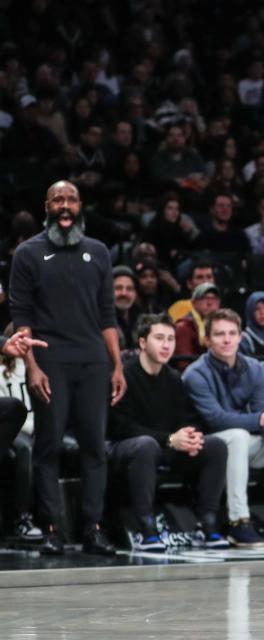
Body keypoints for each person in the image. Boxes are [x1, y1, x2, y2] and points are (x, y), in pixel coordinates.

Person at [8, 180, 127, 556]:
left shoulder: (99, 252)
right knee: (48, 447)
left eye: (71, 199)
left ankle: (92, 528)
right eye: (58, 199)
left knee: (95, 447)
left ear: (79, 206)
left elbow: (108, 316)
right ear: (46, 205)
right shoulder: (27, 253)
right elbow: (21, 317)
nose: (65, 205)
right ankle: (52, 529)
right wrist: (31, 366)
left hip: (93, 361)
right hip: (50, 361)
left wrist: (117, 366)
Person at [107, 314, 229, 551]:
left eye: (171, 339)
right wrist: (170, 439)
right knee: (145, 445)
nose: (166, 345)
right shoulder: (124, 376)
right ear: (142, 342)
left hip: (165, 447)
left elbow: (184, 419)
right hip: (126, 449)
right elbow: (120, 426)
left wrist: (190, 436)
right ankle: (146, 528)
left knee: (215, 445)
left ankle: (208, 522)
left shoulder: (174, 379)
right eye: (159, 338)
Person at [182, 309, 264, 547]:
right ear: (207, 340)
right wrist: (261, 420)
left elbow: (263, 410)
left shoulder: (254, 367)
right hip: (207, 447)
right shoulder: (195, 374)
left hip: (243, 444)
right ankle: (239, 521)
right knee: (237, 436)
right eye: (219, 334)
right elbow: (215, 420)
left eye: (232, 333)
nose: (226, 340)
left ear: (240, 337)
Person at [0, 329, 47, 542]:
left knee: (14, 409)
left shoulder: (37, 368)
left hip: (33, 428)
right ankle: (20, 516)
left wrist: (3, 343)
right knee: (23, 447)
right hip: (22, 435)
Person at [173, 282, 221, 370]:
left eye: (214, 298)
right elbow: (184, 364)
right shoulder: (184, 327)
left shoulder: (222, 325)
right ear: (193, 303)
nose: (210, 302)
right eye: (204, 298)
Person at [113, 265, 142, 352]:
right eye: (118, 288)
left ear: (135, 294)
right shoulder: (98, 320)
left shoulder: (141, 319)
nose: (124, 293)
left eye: (129, 289)